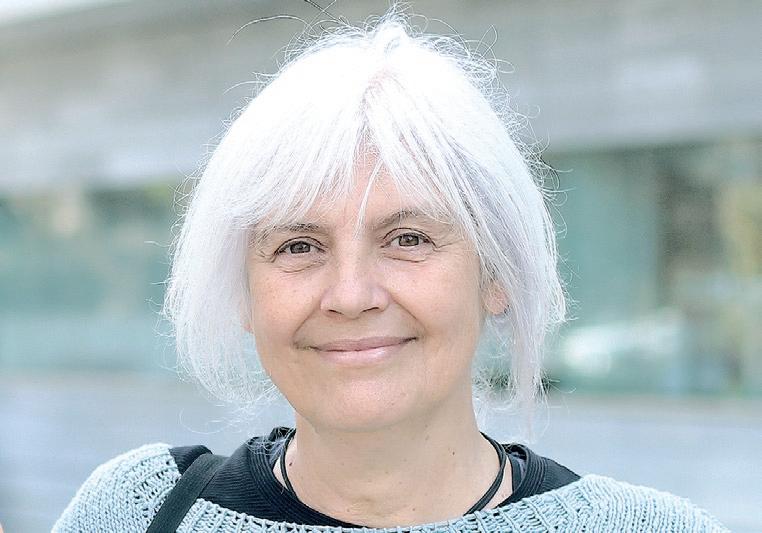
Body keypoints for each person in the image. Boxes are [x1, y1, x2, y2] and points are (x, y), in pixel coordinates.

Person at [53, 9, 727, 532]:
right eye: (299, 246)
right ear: (245, 291)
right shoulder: (136, 513)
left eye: (408, 238)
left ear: (495, 272)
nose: (350, 295)